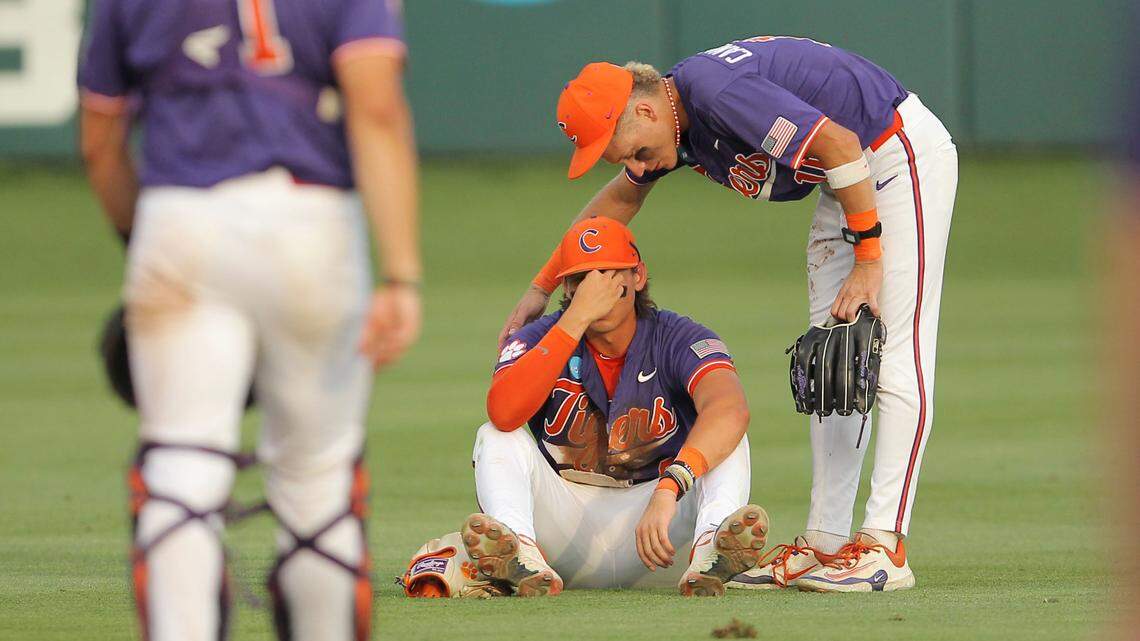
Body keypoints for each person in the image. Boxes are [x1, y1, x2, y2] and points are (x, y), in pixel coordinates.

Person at [501, 36, 958, 592]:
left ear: (644, 109)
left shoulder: (716, 95)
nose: (630, 163)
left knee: (891, 355)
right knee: (833, 367)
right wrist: (542, 285)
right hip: (847, 184)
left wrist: (870, 257)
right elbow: (619, 202)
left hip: (893, 156)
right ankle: (827, 542)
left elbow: (838, 144)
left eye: (626, 146)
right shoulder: (674, 125)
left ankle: (885, 545)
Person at [78, 0, 420, 637]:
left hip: (182, 219)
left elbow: (101, 138)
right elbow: (375, 109)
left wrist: (144, 245)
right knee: (316, 477)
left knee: (181, 464)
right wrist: (401, 271)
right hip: (313, 226)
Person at [459, 218, 766, 597]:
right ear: (568, 288)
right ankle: (521, 558)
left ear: (637, 276)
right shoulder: (540, 338)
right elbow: (503, 412)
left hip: (663, 536)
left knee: (729, 438)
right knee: (494, 436)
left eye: (607, 273)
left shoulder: (678, 337)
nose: (595, 288)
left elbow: (730, 409)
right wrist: (574, 321)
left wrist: (670, 487)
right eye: (580, 279)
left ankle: (710, 553)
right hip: (563, 529)